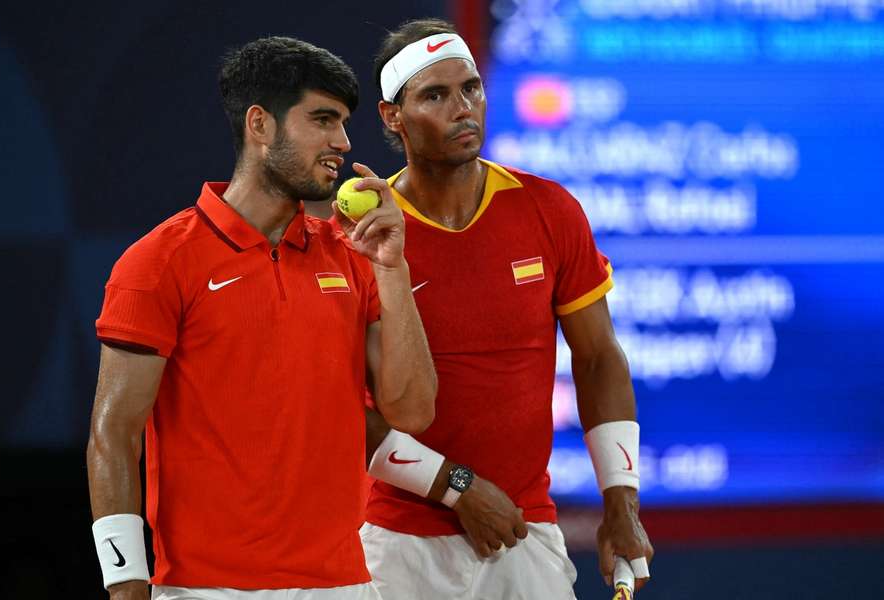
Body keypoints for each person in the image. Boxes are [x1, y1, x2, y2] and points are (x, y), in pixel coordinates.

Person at [86, 36, 437, 600]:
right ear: (260, 125)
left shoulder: (354, 258)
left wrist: (394, 270)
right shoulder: (157, 262)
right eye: (323, 120)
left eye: (344, 123)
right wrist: (125, 583)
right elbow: (112, 433)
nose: (342, 143)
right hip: (204, 589)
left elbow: (412, 410)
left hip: (345, 585)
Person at [358, 19, 654, 600]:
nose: (463, 108)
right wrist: (458, 489)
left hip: (524, 534)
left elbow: (597, 359)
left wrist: (622, 503)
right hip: (398, 543)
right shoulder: (362, 235)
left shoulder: (549, 209)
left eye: (471, 88)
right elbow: (343, 410)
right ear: (392, 116)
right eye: (435, 95)